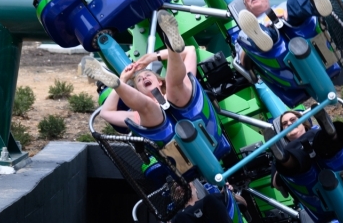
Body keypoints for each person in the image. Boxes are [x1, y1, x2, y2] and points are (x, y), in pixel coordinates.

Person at [82, 10, 232, 159]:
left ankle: (172, 47)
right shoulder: (137, 113)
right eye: (139, 81)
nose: (143, 78)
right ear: (138, 91)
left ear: (159, 80)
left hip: (201, 125)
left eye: (148, 75)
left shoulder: (175, 85)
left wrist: (155, 56)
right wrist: (122, 80)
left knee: (176, 86)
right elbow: (106, 113)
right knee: (147, 107)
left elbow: (190, 51)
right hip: (170, 143)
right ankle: (116, 84)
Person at [230, 0, 339, 107]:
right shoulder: (243, 31)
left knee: (294, 2)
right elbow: (242, 62)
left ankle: (316, 4)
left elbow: (293, 11)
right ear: (245, 4)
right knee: (251, 38)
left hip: (307, 41)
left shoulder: (283, 5)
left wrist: (285, 16)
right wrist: (249, 50)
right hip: (280, 62)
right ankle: (262, 38)